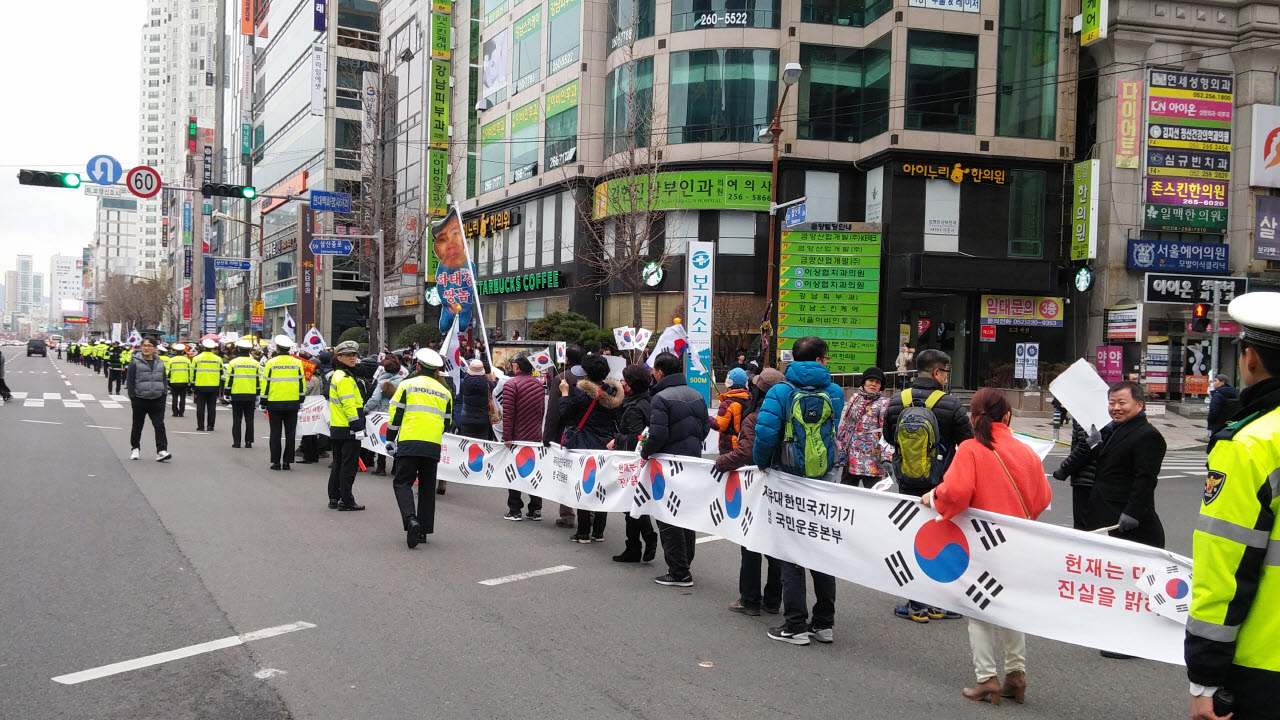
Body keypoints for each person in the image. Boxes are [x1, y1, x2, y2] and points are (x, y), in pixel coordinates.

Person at [920, 388, 1051, 705]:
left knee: (979, 609)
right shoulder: (1025, 451)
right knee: (1009, 608)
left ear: (973, 416)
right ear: (1007, 416)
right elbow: (1043, 497)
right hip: (1018, 541)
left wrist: (933, 497)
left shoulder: (971, 448)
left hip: (981, 540)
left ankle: (987, 679)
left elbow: (957, 492)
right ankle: (1016, 675)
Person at [1185, 292, 1280, 720]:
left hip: (1266, 663)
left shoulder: (1250, 444)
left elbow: (1224, 567)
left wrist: (1204, 678)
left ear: (1251, 359)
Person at [752, 336, 844, 645]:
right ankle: (824, 622)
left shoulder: (780, 391)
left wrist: (762, 464)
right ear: (820, 360)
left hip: (788, 477)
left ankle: (795, 624)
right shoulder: (834, 391)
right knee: (821, 549)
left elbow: (765, 434)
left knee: (791, 551)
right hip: (823, 479)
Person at [883, 348, 973, 623]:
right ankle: (939, 603)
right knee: (941, 538)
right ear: (937, 372)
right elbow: (967, 443)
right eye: (946, 372)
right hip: (939, 483)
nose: (947, 377)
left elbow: (889, 436)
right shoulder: (951, 404)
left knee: (912, 537)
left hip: (907, 480)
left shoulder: (899, 400)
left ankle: (915, 604)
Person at [718, 367, 785, 616]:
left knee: (751, 543)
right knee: (776, 547)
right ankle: (773, 600)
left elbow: (746, 453)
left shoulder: (755, 417)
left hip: (757, 487)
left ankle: (750, 599)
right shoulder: (790, 412)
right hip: (785, 486)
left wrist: (721, 462)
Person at [642, 351, 711, 586]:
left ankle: (679, 571)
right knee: (685, 514)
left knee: (667, 515)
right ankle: (684, 564)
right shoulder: (696, 395)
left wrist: (645, 451)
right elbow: (705, 429)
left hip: (668, 464)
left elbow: (658, 434)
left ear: (659, 372)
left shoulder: (660, 398)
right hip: (691, 462)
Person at [385, 348, 453, 548]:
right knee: (426, 488)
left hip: (409, 440)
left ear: (417, 366)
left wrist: (390, 439)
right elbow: (448, 423)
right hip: (432, 444)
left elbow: (395, 414)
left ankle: (410, 520)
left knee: (402, 483)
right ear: (435, 371)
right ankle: (423, 531)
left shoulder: (407, 385)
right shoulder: (444, 391)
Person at [1086, 381, 1166, 549]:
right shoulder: (1116, 428)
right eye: (1111, 403)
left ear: (1139, 405)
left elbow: (1145, 479)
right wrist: (1096, 447)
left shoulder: (1147, 435)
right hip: (1105, 515)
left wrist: (1132, 513)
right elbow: (1111, 464)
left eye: (1122, 403)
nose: (1116, 408)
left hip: (1129, 524)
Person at [560, 353, 624, 542]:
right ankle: (598, 532)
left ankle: (583, 532)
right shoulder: (613, 393)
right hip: (605, 445)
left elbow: (565, 413)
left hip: (584, 445)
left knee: (584, 486)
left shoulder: (581, 393)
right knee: (601, 486)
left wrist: (564, 393)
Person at [609, 363, 657, 563]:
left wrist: (617, 440)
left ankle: (640, 541)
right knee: (631, 502)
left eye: (625, 381)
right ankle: (640, 542)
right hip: (638, 460)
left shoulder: (636, 407)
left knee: (629, 503)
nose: (622, 383)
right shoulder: (647, 400)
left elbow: (638, 438)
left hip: (632, 460)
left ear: (631, 384)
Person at [501, 355, 547, 521]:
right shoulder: (539, 386)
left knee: (514, 472)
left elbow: (508, 414)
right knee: (532, 472)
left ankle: (515, 509)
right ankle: (535, 509)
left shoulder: (511, 385)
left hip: (517, 436)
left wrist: (507, 436)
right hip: (534, 436)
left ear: (517, 367)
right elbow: (541, 412)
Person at [836, 366, 892, 488]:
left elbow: (886, 433)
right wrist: (840, 447)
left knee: (873, 499)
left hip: (873, 460)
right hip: (851, 457)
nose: (873, 384)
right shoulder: (854, 400)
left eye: (877, 382)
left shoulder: (884, 404)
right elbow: (845, 426)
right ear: (864, 382)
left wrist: (887, 458)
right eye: (870, 381)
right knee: (845, 495)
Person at [327, 340, 367, 511]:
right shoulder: (344, 378)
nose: (352, 358)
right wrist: (357, 427)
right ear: (340, 358)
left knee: (338, 463)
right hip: (348, 427)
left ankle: (334, 498)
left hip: (338, 426)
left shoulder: (339, 375)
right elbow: (349, 405)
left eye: (354, 355)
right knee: (348, 467)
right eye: (347, 355)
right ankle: (346, 500)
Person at [261, 335, 306, 471]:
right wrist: (301, 400)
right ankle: (287, 462)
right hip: (292, 403)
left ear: (277, 348)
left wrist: (263, 401)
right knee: (290, 434)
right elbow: (301, 383)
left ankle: (276, 462)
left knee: (275, 433)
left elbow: (266, 383)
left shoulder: (271, 363)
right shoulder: (297, 363)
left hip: (274, 403)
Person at [125, 336, 172, 462]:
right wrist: (133, 397)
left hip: (157, 399)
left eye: (149, 346)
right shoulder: (135, 362)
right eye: (144, 345)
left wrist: (163, 394)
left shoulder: (160, 363)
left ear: (155, 348)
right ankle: (135, 448)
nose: (146, 348)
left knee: (159, 425)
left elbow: (163, 379)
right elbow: (130, 381)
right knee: (137, 425)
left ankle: (161, 450)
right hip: (140, 398)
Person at [1052, 416, 1098, 531]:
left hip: (1086, 478)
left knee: (1084, 528)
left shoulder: (1087, 415)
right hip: (1093, 477)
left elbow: (1085, 446)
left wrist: (1063, 470)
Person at [363, 356, 405, 476]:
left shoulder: (382, 382)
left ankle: (381, 467)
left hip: (384, 413)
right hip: (399, 413)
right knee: (397, 440)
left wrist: (365, 409)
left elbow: (375, 399)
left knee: (382, 440)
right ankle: (396, 468)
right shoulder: (403, 382)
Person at [225, 338, 261, 449]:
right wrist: (258, 394)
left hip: (236, 394)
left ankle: (237, 442)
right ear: (249, 350)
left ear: (239, 349)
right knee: (249, 419)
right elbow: (258, 380)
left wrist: (227, 393)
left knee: (237, 419)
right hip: (250, 394)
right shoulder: (255, 363)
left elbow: (229, 380)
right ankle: (249, 442)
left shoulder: (233, 362)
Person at [714, 368, 750, 456]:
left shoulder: (727, 403)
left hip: (729, 446)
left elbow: (719, 426)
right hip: (746, 444)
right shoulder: (750, 399)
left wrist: (707, 419)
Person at [191, 338, 224, 432]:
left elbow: (192, 373)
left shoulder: (196, 358)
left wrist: (192, 385)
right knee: (212, 407)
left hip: (200, 385)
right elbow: (222, 373)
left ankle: (200, 426)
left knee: (200, 407)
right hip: (214, 386)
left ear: (204, 347)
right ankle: (211, 426)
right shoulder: (218, 359)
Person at [460, 359, 496, 440]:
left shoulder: (463, 383)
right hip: (484, 420)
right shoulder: (489, 384)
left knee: (467, 447)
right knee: (482, 447)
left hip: (466, 420)